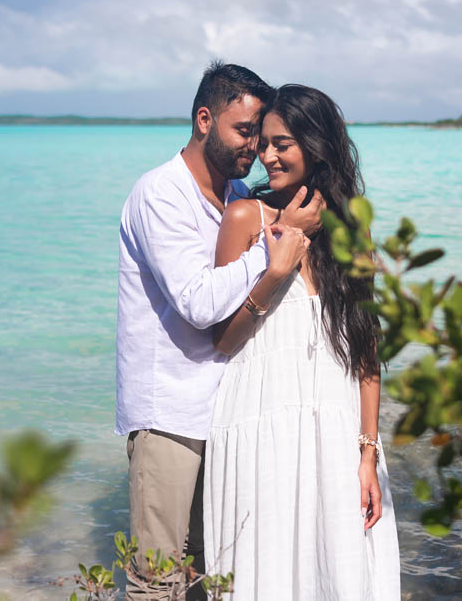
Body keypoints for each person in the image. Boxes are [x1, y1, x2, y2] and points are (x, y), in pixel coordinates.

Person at [115, 63, 324, 600]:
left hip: (227, 413)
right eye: (244, 130)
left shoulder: (234, 192)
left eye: (260, 134)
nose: (255, 147)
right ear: (205, 118)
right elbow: (199, 302)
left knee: (214, 575)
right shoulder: (160, 193)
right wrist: (277, 240)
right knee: (156, 580)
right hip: (170, 415)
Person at [203, 84, 401, 599]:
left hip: (335, 429)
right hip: (259, 416)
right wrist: (277, 267)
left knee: (341, 570)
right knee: (263, 573)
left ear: (316, 147)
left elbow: (366, 353)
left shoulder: (352, 231)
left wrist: (368, 453)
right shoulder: (246, 217)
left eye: (281, 143)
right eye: (263, 142)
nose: (265, 155)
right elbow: (223, 340)